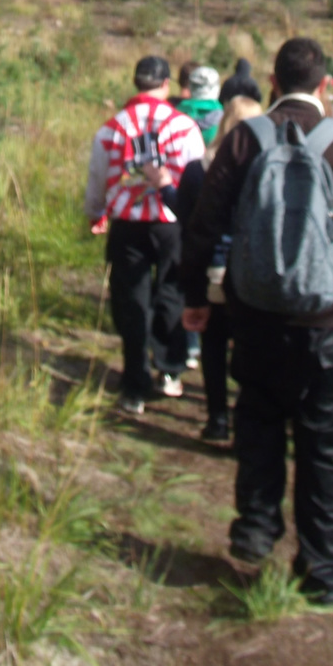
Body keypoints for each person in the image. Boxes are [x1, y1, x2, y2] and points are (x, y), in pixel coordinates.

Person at [180, 36, 333, 603]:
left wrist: (195, 293)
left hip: (257, 317)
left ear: (272, 83)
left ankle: (255, 526)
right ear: (325, 86)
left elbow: (203, 225)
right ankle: (323, 574)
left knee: (260, 421)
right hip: (332, 324)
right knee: (326, 447)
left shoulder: (244, 142)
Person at [85, 54, 206, 415]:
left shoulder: (112, 128)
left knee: (131, 301)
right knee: (171, 290)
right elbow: (196, 178)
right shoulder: (184, 127)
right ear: (166, 84)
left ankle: (134, 383)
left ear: (136, 83)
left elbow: (97, 175)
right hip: (170, 221)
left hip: (127, 223)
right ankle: (169, 370)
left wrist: (96, 212)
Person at [166, 93, 263, 443]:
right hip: (256, 270)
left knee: (213, 344)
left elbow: (191, 225)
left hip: (215, 269)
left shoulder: (199, 168)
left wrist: (190, 285)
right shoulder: (269, 164)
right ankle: (249, 421)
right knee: (253, 349)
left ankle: (217, 418)